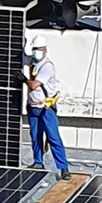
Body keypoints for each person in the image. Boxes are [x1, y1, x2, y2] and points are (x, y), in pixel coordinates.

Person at [26, 34, 71, 181]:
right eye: (34, 49)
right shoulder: (34, 63)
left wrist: (24, 80)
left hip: (46, 108)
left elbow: (33, 85)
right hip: (33, 106)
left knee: (53, 137)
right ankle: (38, 162)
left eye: (38, 49)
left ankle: (63, 168)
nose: (35, 52)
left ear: (44, 50)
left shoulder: (47, 67)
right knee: (35, 136)